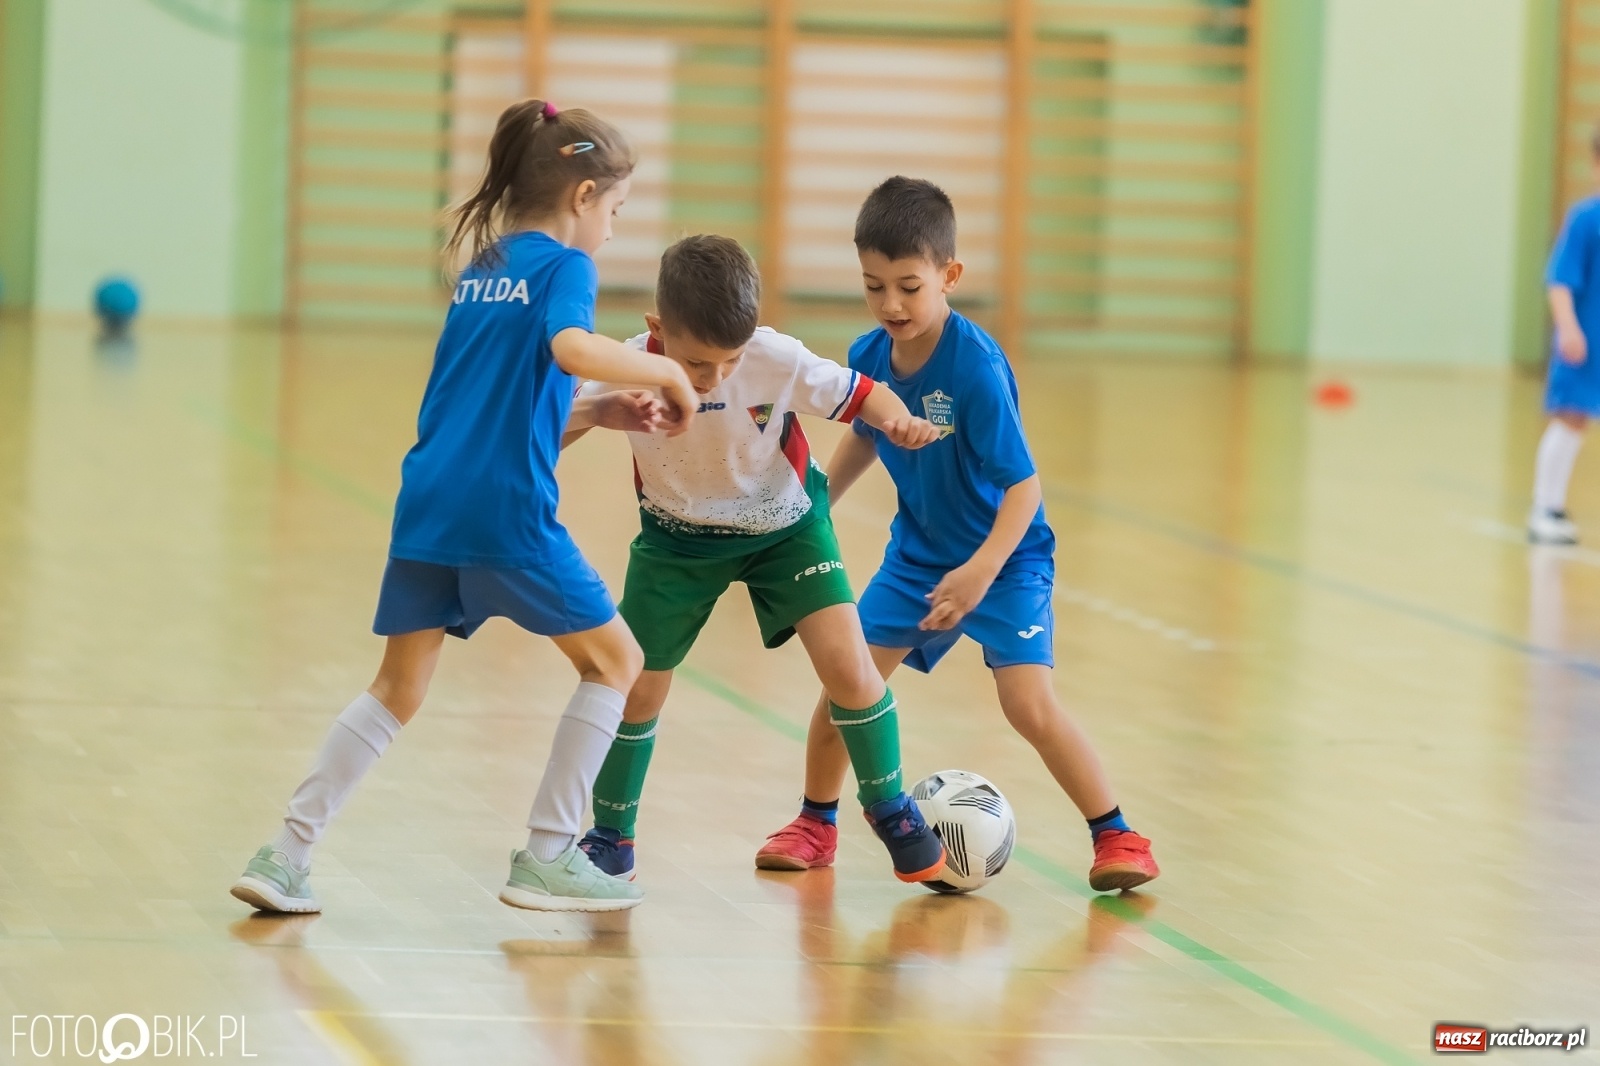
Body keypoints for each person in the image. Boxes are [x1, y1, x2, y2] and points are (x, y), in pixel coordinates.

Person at [229, 100, 698, 915]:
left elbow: (500, 411)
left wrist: (593, 412)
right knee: (618, 664)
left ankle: (285, 854)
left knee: (395, 687)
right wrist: (663, 374)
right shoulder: (564, 268)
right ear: (584, 196)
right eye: (616, 211)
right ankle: (550, 853)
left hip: (430, 501)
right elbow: (568, 348)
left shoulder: (484, 268)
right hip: (504, 511)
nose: (615, 231)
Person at [757, 177, 1160, 893]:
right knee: (848, 688)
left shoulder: (972, 369)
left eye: (909, 287)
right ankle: (816, 822)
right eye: (874, 286)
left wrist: (979, 573)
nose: (891, 305)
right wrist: (814, 501)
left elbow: (1024, 486)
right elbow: (866, 437)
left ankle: (1118, 834)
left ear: (950, 276)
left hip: (1005, 562)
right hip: (917, 561)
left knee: (1028, 705)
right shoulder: (871, 353)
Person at [566, 234, 949, 884]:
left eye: (730, 360)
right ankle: (611, 837)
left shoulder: (775, 357)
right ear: (657, 329)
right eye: (694, 364)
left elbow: (862, 393)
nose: (714, 377)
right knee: (634, 688)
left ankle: (889, 806)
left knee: (850, 672)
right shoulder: (625, 365)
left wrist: (899, 420)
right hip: (675, 539)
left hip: (786, 530)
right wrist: (598, 415)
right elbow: (555, 425)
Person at [1530, 123, 1600, 545]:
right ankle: (1546, 506)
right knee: (1571, 419)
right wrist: (1568, 327)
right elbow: (1560, 280)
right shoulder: (1586, 220)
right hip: (1585, 345)